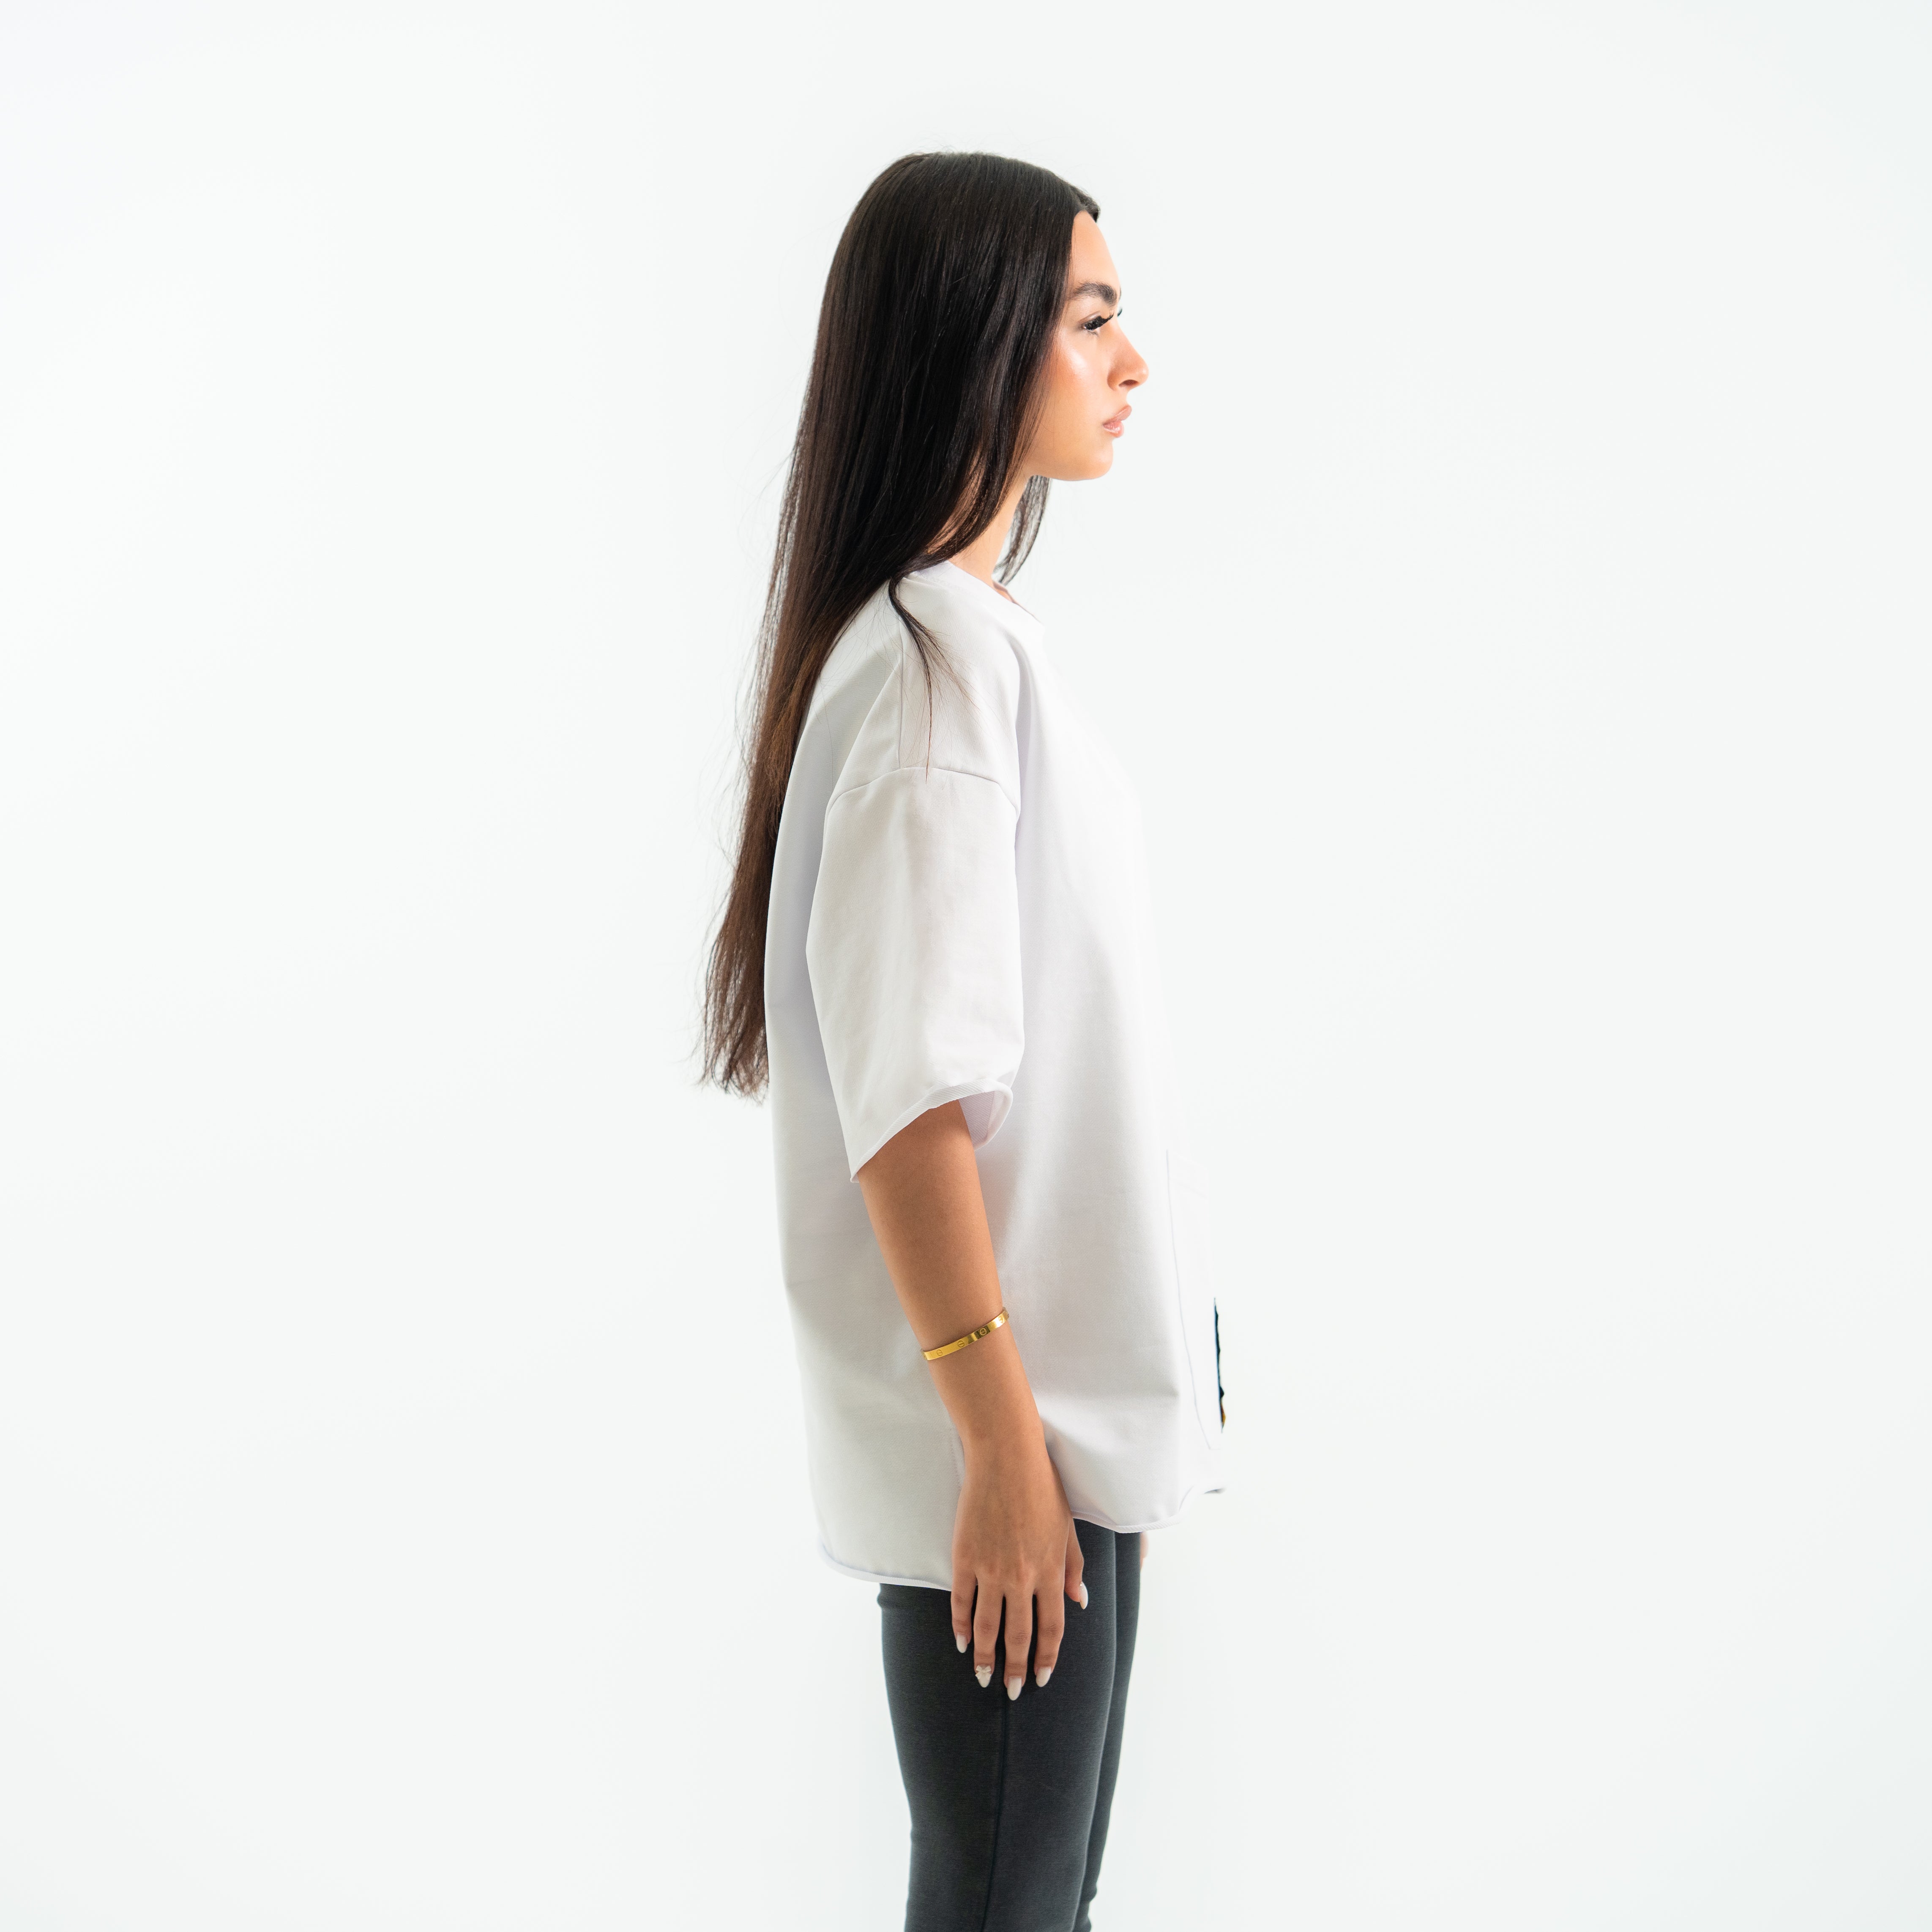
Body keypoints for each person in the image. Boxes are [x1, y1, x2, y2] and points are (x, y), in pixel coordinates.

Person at [703, 150, 1224, 1932]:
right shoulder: (931, 677)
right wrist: (1003, 1449)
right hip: (1017, 1455)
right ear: (983, 346)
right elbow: (913, 1115)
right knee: (1007, 1906)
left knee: (1022, 1905)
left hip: (1049, 1449)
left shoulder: (958, 655)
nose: (1132, 362)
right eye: (1092, 320)